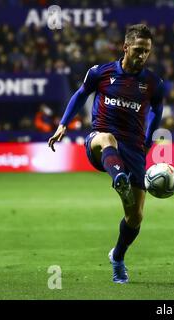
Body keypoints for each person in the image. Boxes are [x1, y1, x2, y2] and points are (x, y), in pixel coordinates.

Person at [48, 24, 164, 284]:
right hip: (100, 142)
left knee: (135, 217)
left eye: (146, 51)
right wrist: (63, 125)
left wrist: (148, 140)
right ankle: (118, 177)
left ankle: (118, 257)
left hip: (134, 147)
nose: (142, 55)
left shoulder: (153, 83)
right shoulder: (101, 73)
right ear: (125, 47)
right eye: (138, 50)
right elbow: (80, 95)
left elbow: (157, 110)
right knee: (106, 138)